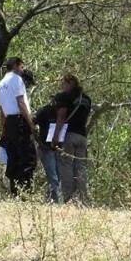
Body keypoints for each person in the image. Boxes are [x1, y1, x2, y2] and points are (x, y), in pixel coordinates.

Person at [0, 57, 37, 196]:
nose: (23, 70)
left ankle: (15, 192)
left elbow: (2, 111)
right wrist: (31, 124)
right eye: (22, 67)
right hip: (20, 122)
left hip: (9, 123)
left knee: (13, 158)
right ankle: (26, 193)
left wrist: (4, 130)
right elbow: (21, 102)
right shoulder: (17, 79)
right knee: (27, 157)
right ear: (15, 65)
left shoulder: (0, 84)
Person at [51, 74, 92, 204]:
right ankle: (83, 199)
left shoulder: (64, 97)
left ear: (70, 83)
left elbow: (62, 116)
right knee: (80, 168)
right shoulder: (86, 99)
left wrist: (55, 136)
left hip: (68, 135)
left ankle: (68, 199)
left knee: (66, 166)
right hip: (82, 136)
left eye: (63, 83)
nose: (62, 86)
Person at [35, 100, 61, 203]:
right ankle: (56, 202)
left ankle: (49, 198)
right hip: (46, 149)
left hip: (59, 149)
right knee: (52, 176)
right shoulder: (44, 111)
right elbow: (33, 124)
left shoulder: (65, 112)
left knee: (58, 176)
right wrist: (39, 141)